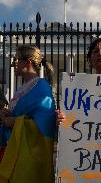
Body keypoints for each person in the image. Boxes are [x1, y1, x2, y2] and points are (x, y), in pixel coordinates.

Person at [0, 45, 56, 183]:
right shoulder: (23, 87)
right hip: (14, 149)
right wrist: (8, 114)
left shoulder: (42, 87)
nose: (14, 63)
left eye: (17, 59)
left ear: (28, 62)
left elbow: (46, 125)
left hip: (29, 158)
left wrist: (15, 122)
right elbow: (22, 113)